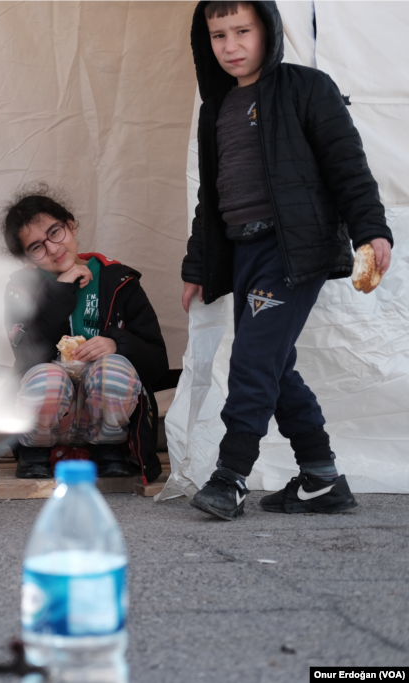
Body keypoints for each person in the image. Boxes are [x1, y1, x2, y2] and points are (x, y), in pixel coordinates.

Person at [182, 0, 393, 520]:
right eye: (217, 36)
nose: (230, 46)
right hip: (243, 251)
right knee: (274, 365)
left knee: (253, 362)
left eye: (241, 31)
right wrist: (196, 264)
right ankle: (320, 477)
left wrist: (371, 230)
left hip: (293, 247)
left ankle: (230, 476)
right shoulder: (217, 109)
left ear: (269, 30)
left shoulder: (307, 88)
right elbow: (211, 198)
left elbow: (348, 165)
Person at [2, 187, 169, 481]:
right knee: (47, 377)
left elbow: (157, 364)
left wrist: (116, 342)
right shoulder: (21, 290)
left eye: (56, 232)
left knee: (114, 368)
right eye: (37, 247)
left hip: (107, 425)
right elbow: (26, 359)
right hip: (49, 426)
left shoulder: (118, 279)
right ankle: (35, 452)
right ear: (26, 259)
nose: (53, 248)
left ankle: (109, 450)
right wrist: (60, 289)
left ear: (71, 225)